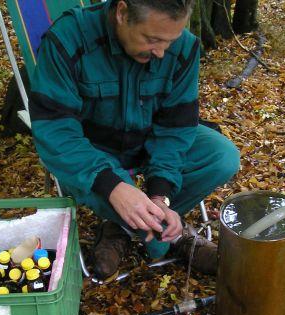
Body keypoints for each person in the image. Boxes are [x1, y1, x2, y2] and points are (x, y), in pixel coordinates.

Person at [30, 0, 240, 281]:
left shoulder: (184, 47)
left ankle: (125, 228)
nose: (162, 52)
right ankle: (170, 238)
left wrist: (160, 193)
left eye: (170, 41)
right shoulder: (67, 39)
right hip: (93, 152)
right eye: (152, 39)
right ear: (122, 13)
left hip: (147, 142)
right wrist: (113, 186)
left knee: (222, 156)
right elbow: (56, 132)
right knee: (75, 176)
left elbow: (176, 127)